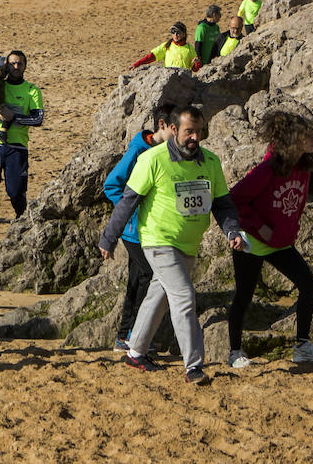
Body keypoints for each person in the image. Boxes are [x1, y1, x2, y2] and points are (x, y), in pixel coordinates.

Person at [98, 106, 245, 385]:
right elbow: (128, 200)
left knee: (160, 294)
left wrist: (231, 230)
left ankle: (136, 351)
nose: (194, 137)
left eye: (198, 132)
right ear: (174, 129)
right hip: (157, 240)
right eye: (189, 131)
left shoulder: (210, 162)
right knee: (184, 295)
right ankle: (194, 367)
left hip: (188, 244)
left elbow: (222, 203)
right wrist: (109, 237)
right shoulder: (153, 159)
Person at [227, 111, 313, 367]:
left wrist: (289, 230)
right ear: (293, 139)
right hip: (252, 241)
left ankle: (303, 346)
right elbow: (234, 199)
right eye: (307, 136)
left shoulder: (303, 169)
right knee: (244, 295)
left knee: (307, 284)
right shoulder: (268, 168)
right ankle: (234, 351)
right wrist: (259, 227)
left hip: (281, 244)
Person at [102, 103, 175, 352]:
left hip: (149, 230)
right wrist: (132, 212)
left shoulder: (166, 152)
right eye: (176, 130)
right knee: (148, 277)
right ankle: (134, 335)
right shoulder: (138, 150)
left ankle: (124, 336)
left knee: (137, 280)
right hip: (133, 230)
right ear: (162, 125)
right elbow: (111, 185)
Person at [0, 51, 43, 254]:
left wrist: (13, 117)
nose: (16, 67)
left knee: (15, 191)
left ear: (25, 66)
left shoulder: (32, 90)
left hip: (17, 147)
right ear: (7, 65)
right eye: (12, 63)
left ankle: (22, 226)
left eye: (20, 64)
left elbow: (37, 119)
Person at [130, 22, 200, 71]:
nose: (175, 34)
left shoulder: (190, 48)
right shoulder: (166, 46)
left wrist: (197, 63)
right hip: (169, 80)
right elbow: (151, 57)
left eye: (178, 32)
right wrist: (137, 64)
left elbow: (194, 69)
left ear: (184, 34)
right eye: (173, 32)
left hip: (182, 82)